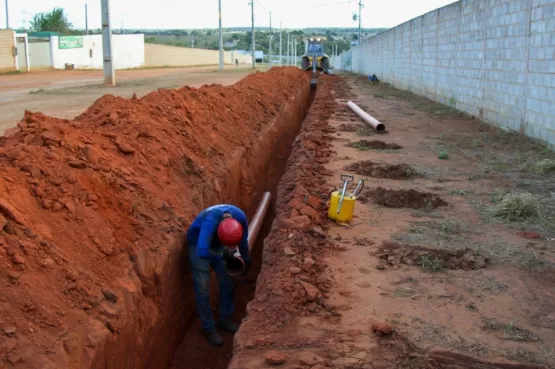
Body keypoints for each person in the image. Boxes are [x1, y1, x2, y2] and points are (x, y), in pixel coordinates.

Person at [186, 204, 251, 346]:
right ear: (220, 234)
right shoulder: (210, 222)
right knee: (202, 288)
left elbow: (243, 241)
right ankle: (208, 328)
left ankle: (224, 319)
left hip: (218, 244)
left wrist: (246, 260)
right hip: (198, 245)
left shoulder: (240, 217)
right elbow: (202, 252)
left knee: (227, 282)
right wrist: (223, 255)